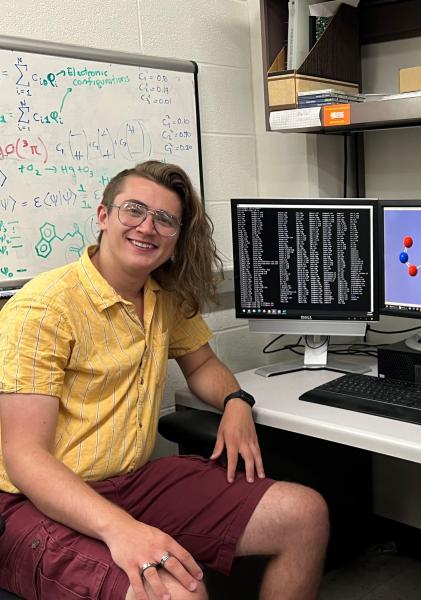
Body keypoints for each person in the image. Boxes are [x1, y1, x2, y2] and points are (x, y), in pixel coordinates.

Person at [0, 161, 329, 600]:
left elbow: (202, 364)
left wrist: (235, 400)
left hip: (131, 482)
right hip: (33, 501)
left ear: (176, 236)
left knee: (305, 515)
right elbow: (25, 457)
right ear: (103, 216)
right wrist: (122, 529)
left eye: (164, 219)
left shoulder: (161, 296)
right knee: (177, 593)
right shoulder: (43, 308)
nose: (147, 227)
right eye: (134, 210)